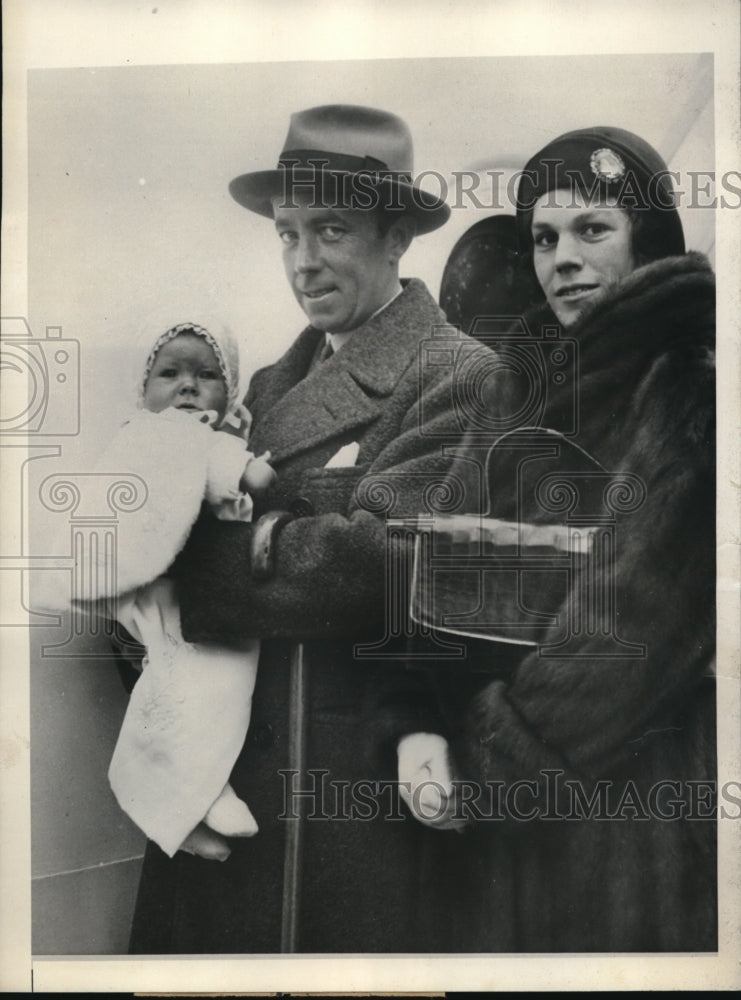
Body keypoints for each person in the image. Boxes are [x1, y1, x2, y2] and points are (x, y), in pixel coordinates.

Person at [128, 104, 492, 954]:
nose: (303, 261)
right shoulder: (262, 383)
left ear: (396, 236)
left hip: (346, 801)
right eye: (287, 233)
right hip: (223, 774)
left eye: (331, 230)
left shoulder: (461, 374)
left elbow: (383, 565)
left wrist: (202, 558)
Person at [396, 127, 717, 951]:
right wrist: (416, 723)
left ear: (646, 237)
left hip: (625, 817)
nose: (562, 259)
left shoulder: (690, 387)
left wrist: (488, 767)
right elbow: (439, 569)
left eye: (591, 229)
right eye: (543, 238)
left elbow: (634, 624)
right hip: (490, 819)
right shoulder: (516, 386)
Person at [40, 319, 276, 862]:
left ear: (229, 391)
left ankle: (175, 802)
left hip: (160, 589)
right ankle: (192, 794)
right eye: (169, 373)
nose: (188, 386)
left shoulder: (181, 437)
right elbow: (224, 470)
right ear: (143, 389)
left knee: (174, 686)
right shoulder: (165, 436)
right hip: (160, 588)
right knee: (212, 677)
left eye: (206, 375)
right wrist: (251, 472)